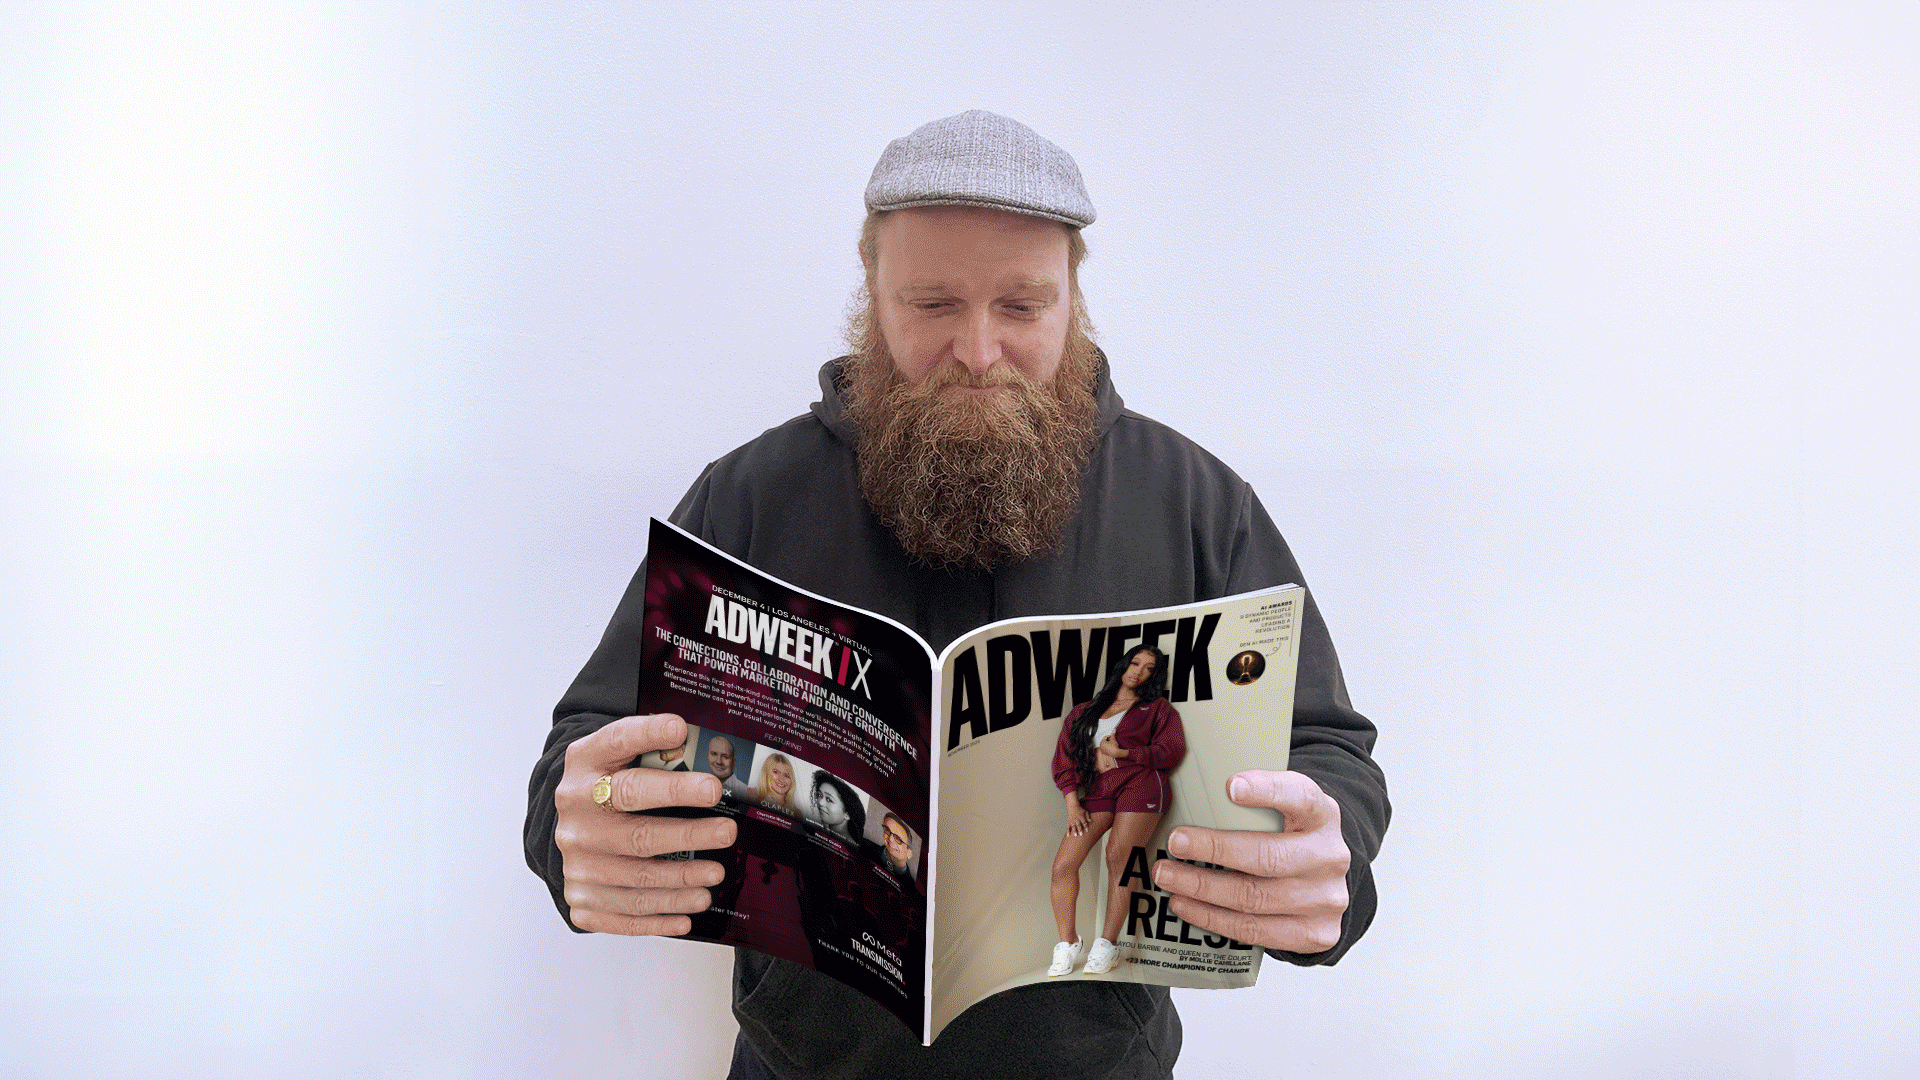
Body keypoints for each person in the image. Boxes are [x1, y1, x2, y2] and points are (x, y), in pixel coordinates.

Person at [525, 109, 1390, 1080]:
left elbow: (1326, 750)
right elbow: (585, 750)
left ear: (1075, 294)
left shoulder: (1193, 503)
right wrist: (582, 822)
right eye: (933, 304)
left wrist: (1332, 855)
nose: (978, 352)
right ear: (871, 291)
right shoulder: (752, 498)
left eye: (1022, 306)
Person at [1046, 644, 1185, 977]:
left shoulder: (1157, 708)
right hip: (1098, 791)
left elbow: (1171, 751)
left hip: (1142, 785)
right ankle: (1068, 943)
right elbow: (1064, 758)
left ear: (1155, 675)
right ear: (1123, 665)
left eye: (1148, 668)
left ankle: (1106, 946)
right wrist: (1072, 802)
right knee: (1064, 865)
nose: (1138, 671)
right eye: (1134, 662)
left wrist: (1124, 753)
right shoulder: (1085, 711)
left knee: (1118, 857)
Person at [807, 770, 867, 848]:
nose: (820, 802)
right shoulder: (824, 833)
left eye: (829, 799)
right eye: (819, 795)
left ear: (847, 814)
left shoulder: (850, 848)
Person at [707, 735, 752, 803]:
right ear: (708, 756)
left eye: (725, 757)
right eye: (714, 754)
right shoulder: (702, 784)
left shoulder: (746, 793)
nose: (719, 761)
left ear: (733, 762)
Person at [878, 812, 917, 887]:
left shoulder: (912, 888)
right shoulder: (864, 847)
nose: (891, 839)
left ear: (909, 853)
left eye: (898, 839)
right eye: (888, 831)